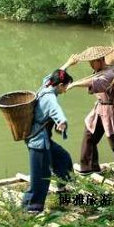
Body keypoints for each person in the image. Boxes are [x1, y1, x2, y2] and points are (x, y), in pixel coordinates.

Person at [66, 46, 114, 177]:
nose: (91, 65)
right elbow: (94, 81)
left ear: (99, 60)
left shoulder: (110, 73)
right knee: (89, 135)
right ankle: (89, 167)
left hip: (109, 110)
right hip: (99, 108)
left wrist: (74, 84)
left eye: (92, 62)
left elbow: (96, 82)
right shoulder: (100, 71)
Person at [22, 67, 74, 213]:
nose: (66, 90)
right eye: (66, 87)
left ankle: (62, 186)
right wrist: (62, 122)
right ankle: (32, 206)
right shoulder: (50, 98)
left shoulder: (47, 85)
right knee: (41, 176)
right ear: (59, 85)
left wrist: (68, 64)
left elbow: (51, 75)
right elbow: (57, 111)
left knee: (62, 157)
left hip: (43, 138)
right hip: (38, 141)